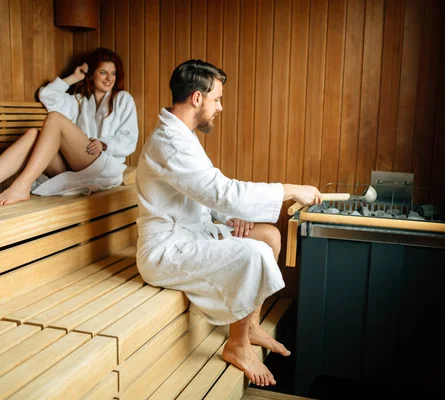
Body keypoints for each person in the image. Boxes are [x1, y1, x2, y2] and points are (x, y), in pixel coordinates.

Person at [136, 59, 321, 387]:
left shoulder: (183, 135)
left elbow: (203, 193)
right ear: (197, 98)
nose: (220, 107)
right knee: (253, 253)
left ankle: (248, 326)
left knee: (267, 236)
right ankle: (236, 345)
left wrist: (227, 218)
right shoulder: (170, 141)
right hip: (166, 249)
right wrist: (291, 189)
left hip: (194, 234)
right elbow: (222, 190)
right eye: (217, 99)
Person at [0, 47, 138, 207]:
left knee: (55, 118)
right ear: (91, 74)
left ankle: (22, 185)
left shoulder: (123, 99)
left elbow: (129, 139)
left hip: (103, 166)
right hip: (76, 167)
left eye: (113, 73)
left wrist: (104, 144)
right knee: (33, 134)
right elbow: (47, 95)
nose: (109, 79)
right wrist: (73, 77)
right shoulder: (80, 101)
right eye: (103, 72)